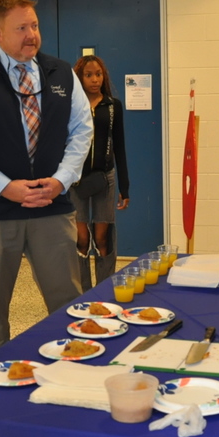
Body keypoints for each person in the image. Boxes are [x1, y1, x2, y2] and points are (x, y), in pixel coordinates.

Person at [0, 0, 93, 360]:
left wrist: (61, 180)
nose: (32, 35)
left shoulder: (60, 73)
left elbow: (81, 130)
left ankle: (74, 373)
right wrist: (2, 186)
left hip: (51, 210)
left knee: (68, 307)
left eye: (35, 26)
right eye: (21, 28)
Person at [69, 55, 130, 291]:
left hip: (105, 179)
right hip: (76, 181)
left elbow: (120, 147)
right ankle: (82, 294)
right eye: (88, 75)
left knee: (103, 239)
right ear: (80, 78)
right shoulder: (72, 106)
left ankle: (104, 292)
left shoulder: (113, 106)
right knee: (81, 240)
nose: (94, 80)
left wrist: (125, 188)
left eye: (98, 74)